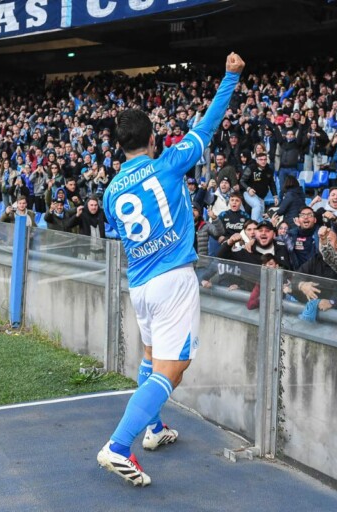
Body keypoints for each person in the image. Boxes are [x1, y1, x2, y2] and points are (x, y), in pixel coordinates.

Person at [97, 52, 245, 487]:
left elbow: (119, 229)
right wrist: (230, 77)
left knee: (149, 356)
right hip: (174, 280)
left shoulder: (109, 192)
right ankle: (118, 447)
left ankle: (155, 429)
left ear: (118, 145)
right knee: (173, 370)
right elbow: (209, 123)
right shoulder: (168, 163)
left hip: (140, 284)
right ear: (153, 139)